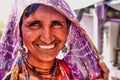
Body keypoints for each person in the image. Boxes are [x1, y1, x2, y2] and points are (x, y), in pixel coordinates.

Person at [0, 0, 109, 80]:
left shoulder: (79, 74)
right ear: (19, 31)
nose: (47, 38)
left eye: (56, 24)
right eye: (35, 24)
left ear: (68, 29)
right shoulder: (9, 76)